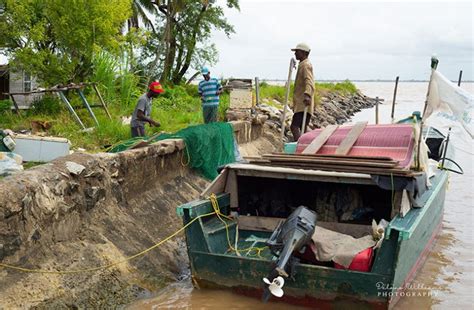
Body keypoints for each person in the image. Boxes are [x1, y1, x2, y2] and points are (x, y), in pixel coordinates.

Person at [290, 43, 315, 141]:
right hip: (300, 104)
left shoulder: (305, 65)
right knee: (303, 128)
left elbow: (309, 81)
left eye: (297, 51)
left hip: (302, 104)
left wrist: (307, 95)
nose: (295, 53)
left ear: (304, 53)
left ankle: (300, 147)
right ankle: (307, 145)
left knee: (294, 127)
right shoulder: (302, 64)